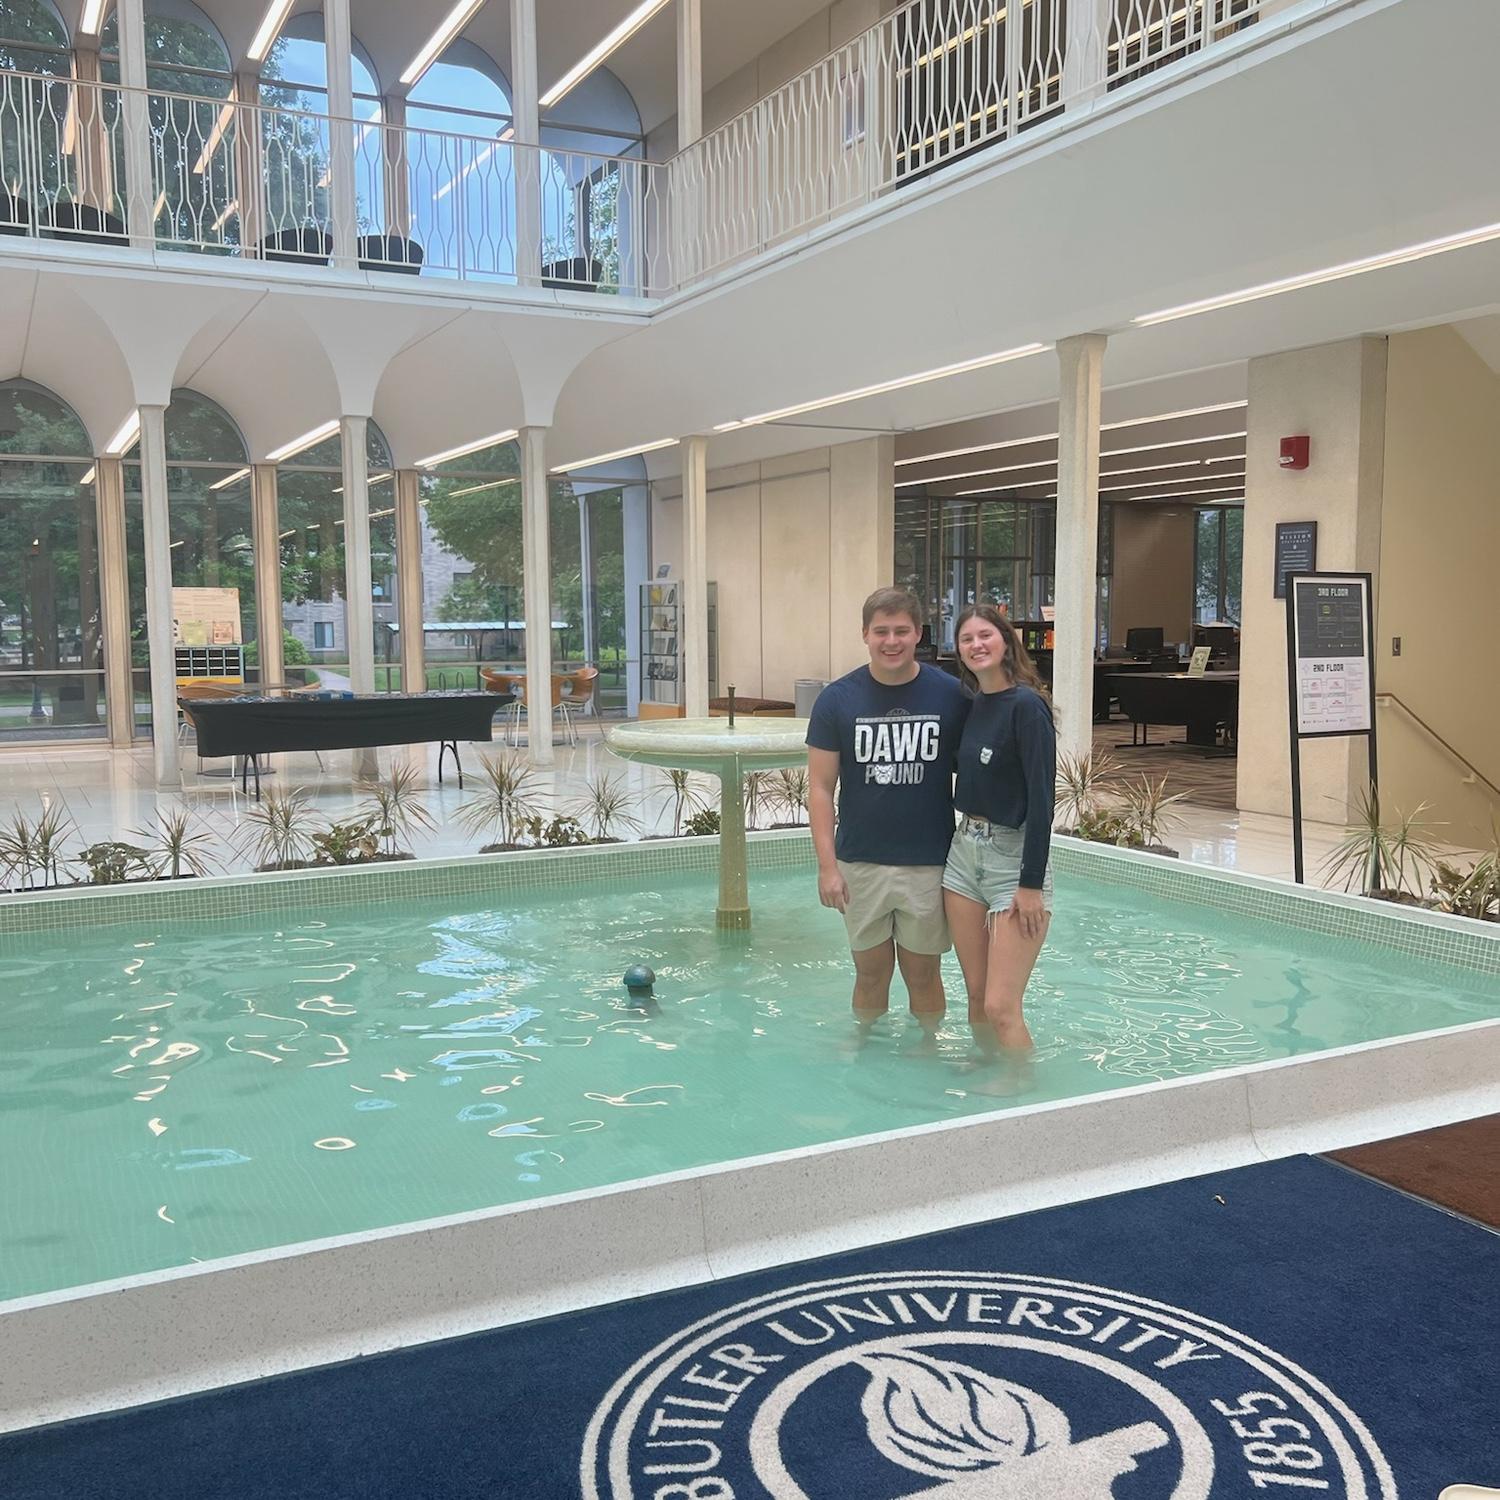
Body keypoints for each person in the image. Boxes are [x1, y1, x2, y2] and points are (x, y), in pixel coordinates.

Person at [806, 587, 969, 1036]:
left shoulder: (951, 695)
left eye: (901, 631)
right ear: (865, 634)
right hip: (860, 862)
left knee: (924, 976)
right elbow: (820, 788)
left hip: (928, 862)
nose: (891, 641)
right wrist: (827, 867)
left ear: (918, 633)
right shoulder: (838, 699)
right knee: (870, 974)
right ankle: (865, 1051)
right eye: (881, 631)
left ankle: (928, 1050)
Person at [942, 603, 1056, 1052]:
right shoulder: (973, 706)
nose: (976, 645)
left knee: (1000, 1006)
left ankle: (1023, 1099)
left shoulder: (1027, 708)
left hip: (1012, 859)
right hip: (963, 857)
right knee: (974, 997)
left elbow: (1044, 803)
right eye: (966, 639)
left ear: (1006, 641)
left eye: (985, 635)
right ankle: (986, 1079)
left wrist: (1030, 886)